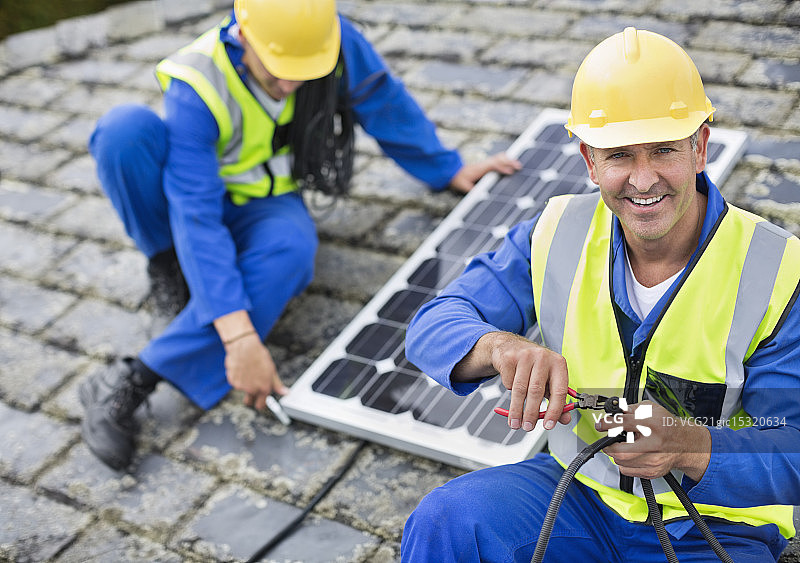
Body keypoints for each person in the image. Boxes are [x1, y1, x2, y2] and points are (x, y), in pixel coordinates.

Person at [401, 27, 800, 563]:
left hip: (716, 526)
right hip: (578, 497)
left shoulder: (777, 270)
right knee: (449, 521)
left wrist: (692, 447)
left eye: (664, 150)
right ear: (590, 162)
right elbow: (433, 323)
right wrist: (499, 347)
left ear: (700, 148)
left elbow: (794, 445)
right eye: (619, 156)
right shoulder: (555, 231)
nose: (643, 179)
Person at [81, 0, 521, 471]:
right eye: (279, 70)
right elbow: (197, 218)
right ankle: (169, 265)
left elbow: (383, 101)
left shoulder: (330, 37)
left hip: (263, 202)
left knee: (291, 252)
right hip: (190, 206)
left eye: (303, 71)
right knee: (123, 132)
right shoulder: (199, 82)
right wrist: (240, 338)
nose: (291, 85)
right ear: (244, 36)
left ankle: (135, 374)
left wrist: (446, 168)